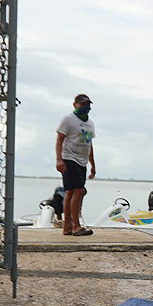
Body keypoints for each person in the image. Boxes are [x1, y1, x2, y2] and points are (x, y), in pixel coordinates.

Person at [55, 93, 97, 236]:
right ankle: (76, 226)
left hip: (82, 160)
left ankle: (67, 226)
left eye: (87, 105)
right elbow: (59, 140)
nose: (85, 107)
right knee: (79, 190)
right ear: (75, 105)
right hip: (69, 158)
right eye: (82, 104)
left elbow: (89, 144)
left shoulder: (90, 123)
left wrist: (93, 165)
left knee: (71, 192)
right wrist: (59, 159)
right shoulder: (68, 119)